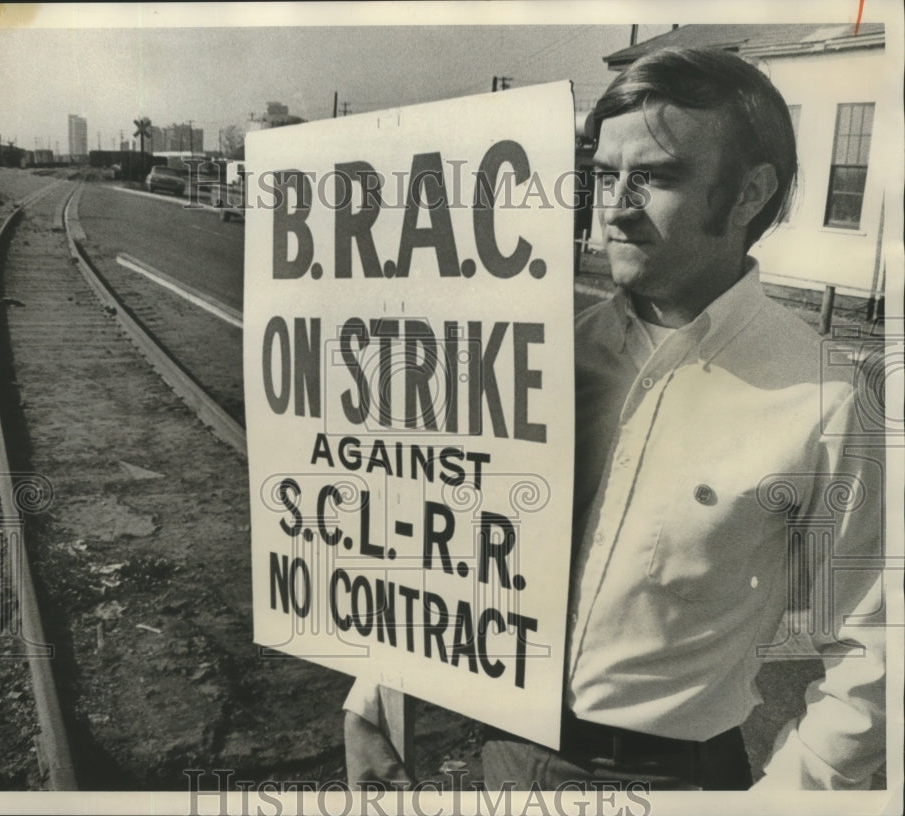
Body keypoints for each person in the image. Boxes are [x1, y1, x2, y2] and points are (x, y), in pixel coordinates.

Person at [343, 46, 886, 791]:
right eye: (604, 176)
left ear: (749, 193)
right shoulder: (540, 357)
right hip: (504, 759)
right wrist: (374, 694)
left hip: (671, 781)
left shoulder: (827, 398)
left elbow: (874, 653)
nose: (616, 206)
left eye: (655, 177)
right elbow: (442, 547)